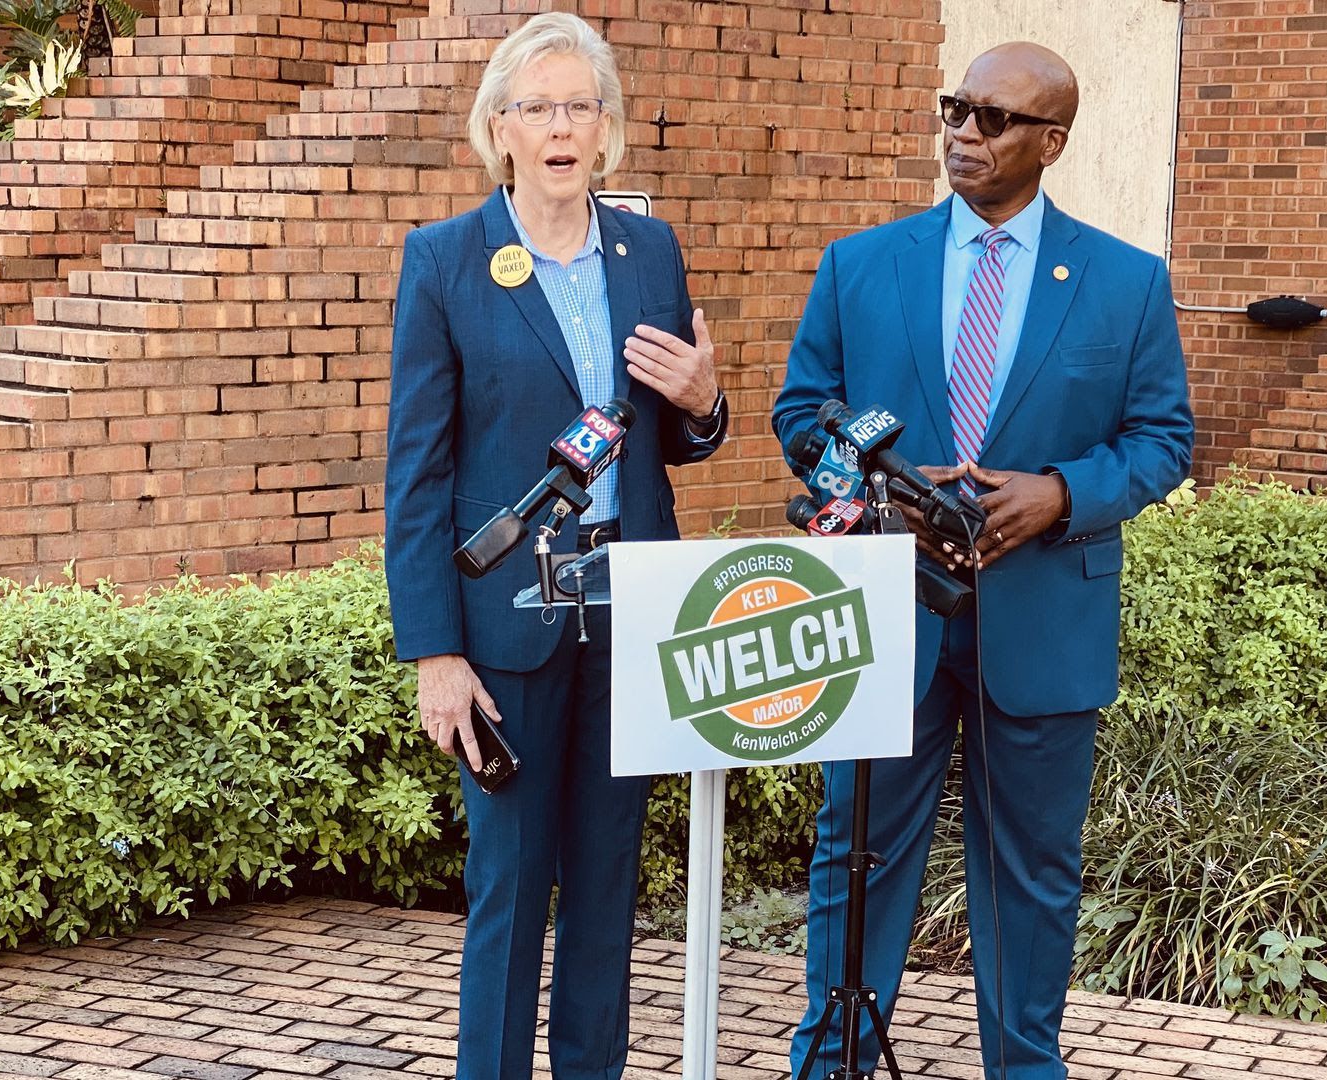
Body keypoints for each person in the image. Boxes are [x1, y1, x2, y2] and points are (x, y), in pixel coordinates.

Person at [772, 41, 1195, 1080]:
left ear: (1052, 141)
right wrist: (881, 487)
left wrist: (1059, 492)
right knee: (855, 855)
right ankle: (833, 1061)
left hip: (1046, 614)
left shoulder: (1127, 283)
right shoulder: (861, 263)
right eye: (954, 109)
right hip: (889, 605)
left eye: (994, 118)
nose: (964, 132)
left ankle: (1023, 1067)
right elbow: (799, 415)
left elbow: (1162, 440)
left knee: (1034, 871)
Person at [382, 12, 728, 1080]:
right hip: (507, 626)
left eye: (581, 105)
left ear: (608, 130)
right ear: (500, 129)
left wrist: (708, 402)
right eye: (538, 107)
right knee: (511, 889)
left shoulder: (649, 251)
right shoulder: (445, 261)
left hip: (630, 607)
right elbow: (417, 474)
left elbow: (679, 436)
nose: (562, 126)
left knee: (607, 884)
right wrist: (437, 654)